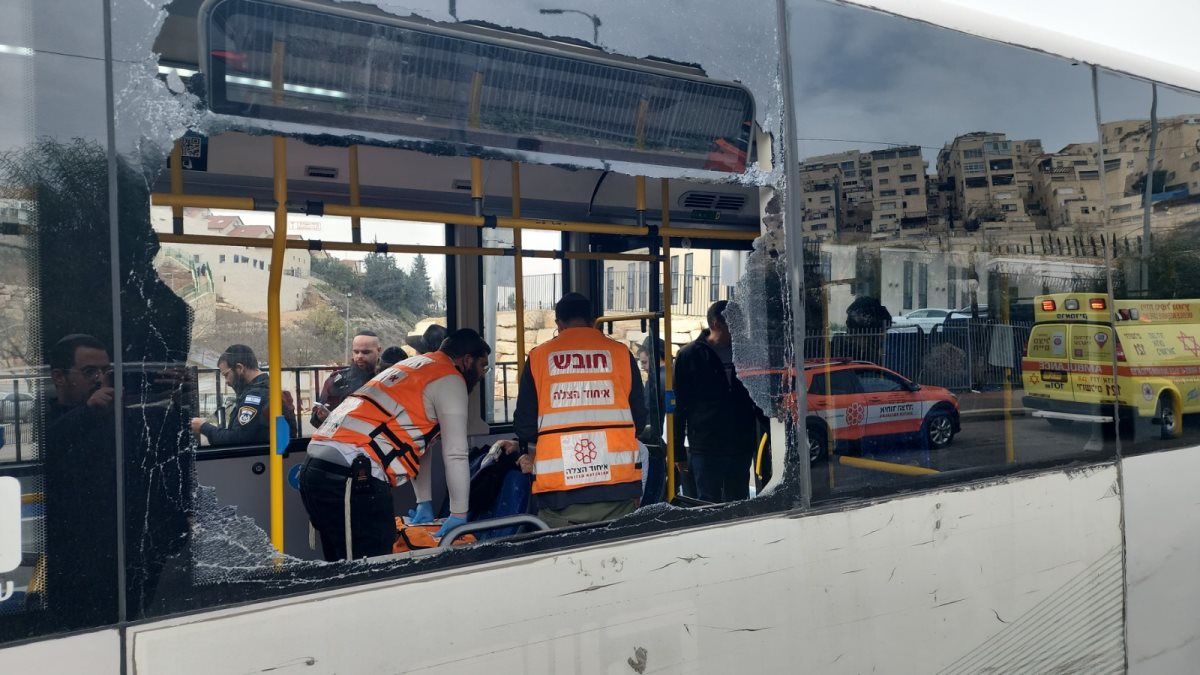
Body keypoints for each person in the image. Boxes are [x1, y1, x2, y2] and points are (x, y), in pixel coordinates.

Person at [298, 328, 492, 561]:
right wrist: (459, 514)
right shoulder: (450, 377)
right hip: (352, 477)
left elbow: (419, 447)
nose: (482, 374)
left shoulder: (414, 367)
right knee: (371, 575)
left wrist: (424, 501)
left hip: (318, 469)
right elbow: (456, 454)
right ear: (467, 360)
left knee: (340, 568)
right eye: (483, 366)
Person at [512, 293, 646, 528]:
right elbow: (639, 418)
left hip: (559, 493)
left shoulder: (538, 358)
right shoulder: (621, 354)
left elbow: (525, 425)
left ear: (558, 324)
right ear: (593, 321)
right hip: (618, 488)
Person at [672, 300, 761, 503]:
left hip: (740, 442)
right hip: (706, 444)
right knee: (708, 502)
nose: (737, 330)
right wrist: (678, 452)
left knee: (738, 499)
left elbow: (757, 397)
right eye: (732, 325)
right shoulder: (690, 356)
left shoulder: (747, 351)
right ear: (715, 324)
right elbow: (680, 405)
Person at [190, 344, 272, 446]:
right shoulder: (267, 387)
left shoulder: (254, 397)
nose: (227, 382)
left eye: (226, 375)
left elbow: (236, 440)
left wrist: (203, 427)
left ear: (239, 368)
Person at [310, 330, 381, 427]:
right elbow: (315, 418)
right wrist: (322, 417)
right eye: (356, 352)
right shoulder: (337, 380)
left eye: (365, 352)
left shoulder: (388, 380)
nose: (359, 356)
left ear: (378, 350)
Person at [636, 336, 668, 505]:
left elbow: (648, 411)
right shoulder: (671, 372)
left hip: (659, 437)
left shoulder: (656, 380)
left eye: (645, 362)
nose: (644, 368)